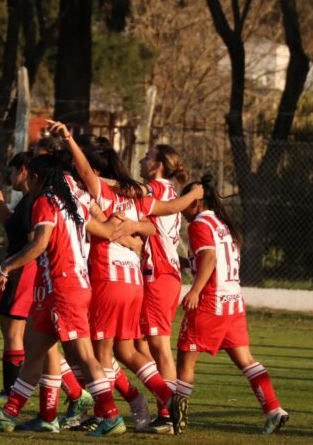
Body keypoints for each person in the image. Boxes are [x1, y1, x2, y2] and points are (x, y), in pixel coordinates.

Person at [48, 121, 201, 433]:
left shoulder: (101, 192)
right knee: (122, 350)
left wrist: (68, 140)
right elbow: (161, 214)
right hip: (133, 283)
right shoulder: (137, 194)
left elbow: (87, 174)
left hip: (107, 280)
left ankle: (108, 415)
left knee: (98, 353)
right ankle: (164, 398)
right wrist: (194, 194)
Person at [0, 154, 131, 437]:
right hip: (65, 288)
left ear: (36, 177)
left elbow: (39, 244)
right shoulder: (72, 203)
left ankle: (110, 416)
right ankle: (9, 414)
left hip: (64, 289)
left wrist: (5, 267)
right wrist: (120, 220)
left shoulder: (45, 202)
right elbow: (106, 230)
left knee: (84, 356)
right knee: (34, 348)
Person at [172, 175, 289, 436]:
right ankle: (273, 410)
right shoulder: (221, 223)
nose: (182, 206)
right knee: (246, 360)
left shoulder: (199, 225)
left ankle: (176, 421)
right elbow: (213, 258)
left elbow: (210, 258)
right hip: (233, 300)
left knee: (185, 361)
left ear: (196, 202)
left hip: (211, 302)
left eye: (186, 200)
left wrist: (194, 290)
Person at [136, 144, 189, 434]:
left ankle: (169, 414)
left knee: (157, 346)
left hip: (159, 274)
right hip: (164, 273)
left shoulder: (155, 188)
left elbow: (130, 193)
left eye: (147, 157)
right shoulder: (169, 191)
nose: (143, 160)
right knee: (143, 344)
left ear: (157, 165)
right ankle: (165, 406)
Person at [0, 152, 37, 406]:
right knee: (20, 335)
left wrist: (8, 268)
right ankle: (10, 391)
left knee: (17, 333)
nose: (11, 177)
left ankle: (12, 393)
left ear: (24, 170)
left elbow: (33, 243)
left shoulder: (33, 202)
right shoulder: (26, 201)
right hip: (17, 269)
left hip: (23, 271)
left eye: (13, 171)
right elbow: (10, 222)